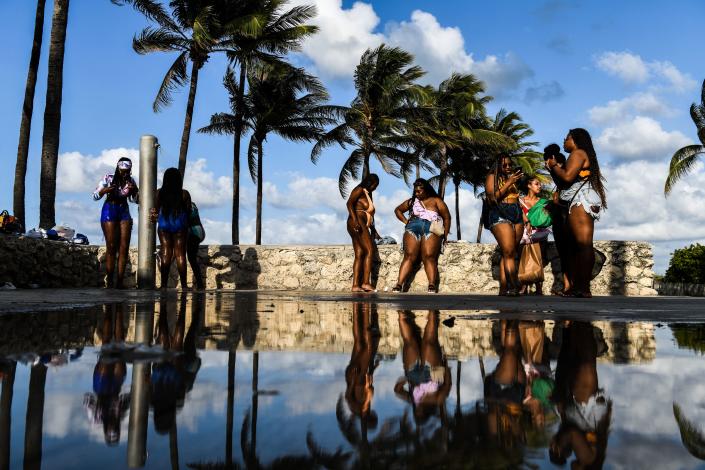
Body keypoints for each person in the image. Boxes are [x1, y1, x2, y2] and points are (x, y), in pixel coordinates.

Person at [545, 129, 607, 298]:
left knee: (583, 244)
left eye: (566, 138)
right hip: (577, 199)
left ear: (575, 140)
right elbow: (565, 181)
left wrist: (554, 166)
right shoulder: (578, 154)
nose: (564, 141)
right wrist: (553, 170)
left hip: (580, 200)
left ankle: (583, 288)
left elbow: (566, 177)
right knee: (577, 246)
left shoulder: (578, 153)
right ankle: (578, 286)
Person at [550, 321, 612, 468]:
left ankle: (580, 324)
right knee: (585, 360)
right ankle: (581, 323)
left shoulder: (590, 458)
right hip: (585, 409)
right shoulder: (587, 459)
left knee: (583, 359)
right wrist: (558, 444)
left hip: (585, 410)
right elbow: (572, 433)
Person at [392, 179, 451, 293]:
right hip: (413, 226)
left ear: (426, 190)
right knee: (409, 256)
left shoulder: (436, 201)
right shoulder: (412, 201)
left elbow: (447, 217)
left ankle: (432, 284)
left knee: (429, 256)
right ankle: (399, 284)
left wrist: (446, 235)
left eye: (419, 191)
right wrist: (406, 222)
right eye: (415, 191)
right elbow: (398, 210)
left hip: (431, 228)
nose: (417, 194)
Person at [394, 310, 451, 425]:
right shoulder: (437, 400)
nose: (418, 411)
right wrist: (446, 366)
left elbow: (397, 390)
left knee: (409, 343)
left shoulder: (412, 400)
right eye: (421, 414)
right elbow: (447, 385)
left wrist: (406, 379)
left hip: (413, 373)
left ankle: (401, 315)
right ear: (426, 414)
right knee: (430, 342)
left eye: (416, 414)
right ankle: (432, 312)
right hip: (434, 374)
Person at [93, 157, 139, 288]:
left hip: (123, 210)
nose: (124, 173)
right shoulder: (108, 178)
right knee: (111, 246)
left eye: (127, 170)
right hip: (110, 209)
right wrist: (104, 191)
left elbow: (137, 200)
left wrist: (134, 190)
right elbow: (94, 196)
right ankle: (110, 281)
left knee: (124, 247)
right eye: (122, 170)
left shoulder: (131, 180)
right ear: (118, 168)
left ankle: (119, 281)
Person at [484, 155, 524, 296]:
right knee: (508, 252)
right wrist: (508, 183)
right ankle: (513, 286)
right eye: (504, 165)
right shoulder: (492, 177)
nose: (508, 167)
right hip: (500, 212)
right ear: (498, 166)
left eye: (509, 164)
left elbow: (516, 198)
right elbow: (492, 198)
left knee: (510, 253)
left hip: (516, 213)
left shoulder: (512, 178)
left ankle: (504, 287)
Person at [344, 303, 380, 443]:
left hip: (356, 376)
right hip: (358, 374)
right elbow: (369, 384)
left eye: (373, 417)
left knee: (367, 345)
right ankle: (359, 311)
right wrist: (374, 369)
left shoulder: (360, 408)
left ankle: (363, 314)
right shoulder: (361, 409)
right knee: (359, 343)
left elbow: (348, 394)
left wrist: (353, 380)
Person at [150, 168, 192, 289]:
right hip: (180, 224)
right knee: (180, 255)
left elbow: (156, 210)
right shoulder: (184, 193)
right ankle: (184, 285)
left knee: (166, 253)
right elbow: (189, 211)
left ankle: (163, 285)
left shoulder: (159, 193)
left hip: (164, 224)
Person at [543, 144, 572, 295]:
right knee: (563, 254)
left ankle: (570, 285)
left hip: (567, 220)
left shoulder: (566, 178)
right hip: (560, 221)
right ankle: (567, 285)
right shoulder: (559, 180)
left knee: (569, 253)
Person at [346, 174, 382, 292]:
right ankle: (366, 283)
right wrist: (356, 220)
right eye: (375, 185)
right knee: (370, 250)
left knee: (360, 253)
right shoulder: (359, 190)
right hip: (356, 221)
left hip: (361, 222)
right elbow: (349, 203)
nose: (375, 188)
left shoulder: (368, 193)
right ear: (369, 183)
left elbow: (369, 214)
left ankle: (356, 285)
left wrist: (374, 230)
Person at [519, 176, 550, 295]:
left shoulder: (543, 202)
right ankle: (523, 285)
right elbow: (519, 215)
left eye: (540, 184)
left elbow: (546, 217)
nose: (540, 186)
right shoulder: (520, 201)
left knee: (539, 259)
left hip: (540, 233)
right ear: (529, 185)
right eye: (537, 184)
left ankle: (538, 287)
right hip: (524, 233)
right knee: (524, 258)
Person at [187, 202, 206, 289]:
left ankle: (200, 284)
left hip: (193, 232)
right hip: (199, 231)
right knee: (192, 259)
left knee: (192, 259)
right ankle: (200, 284)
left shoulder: (185, 206)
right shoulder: (192, 204)